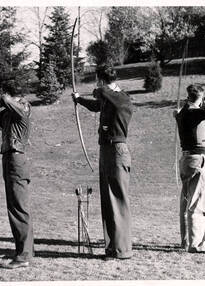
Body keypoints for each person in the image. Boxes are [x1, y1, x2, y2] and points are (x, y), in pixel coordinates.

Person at [71, 64, 133, 260]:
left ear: (101, 79)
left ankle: (122, 250)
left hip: (117, 150)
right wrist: (79, 100)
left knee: (118, 200)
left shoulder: (121, 97)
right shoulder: (109, 98)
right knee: (108, 200)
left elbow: (103, 94)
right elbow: (97, 104)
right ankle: (112, 248)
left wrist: (98, 89)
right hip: (106, 150)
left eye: (98, 80)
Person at [0, 93, 34, 268]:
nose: (15, 104)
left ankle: (23, 256)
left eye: (18, 102)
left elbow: (5, 100)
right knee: (14, 208)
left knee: (19, 209)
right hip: (10, 161)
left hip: (16, 161)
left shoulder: (22, 114)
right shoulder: (10, 116)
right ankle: (24, 252)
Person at [175, 84, 205, 253]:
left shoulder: (182, 113)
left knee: (186, 200)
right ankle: (197, 244)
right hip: (196, 159)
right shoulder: (194, 113)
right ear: (199, 98)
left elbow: (180, 114)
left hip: (185, 159)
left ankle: (186, 241)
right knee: (197, 200)